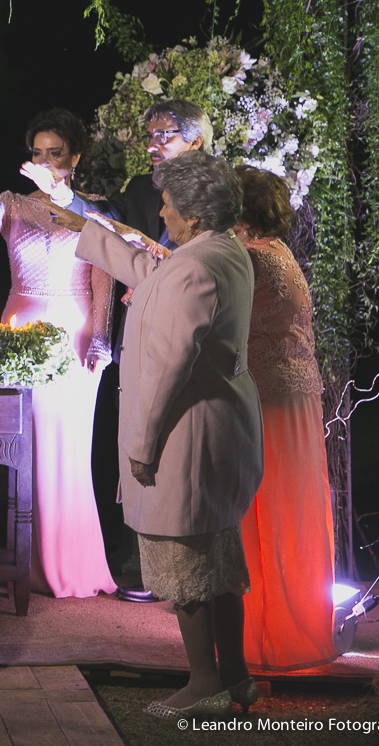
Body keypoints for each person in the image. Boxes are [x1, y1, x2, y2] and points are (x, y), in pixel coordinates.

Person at [50, 151, 263, 716]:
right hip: (214, 425)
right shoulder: (220, 251)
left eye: (167, 203)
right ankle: (236, 676)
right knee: (218, 558)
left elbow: (171, 364)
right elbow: (151, 272)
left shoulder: (195, 266)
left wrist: (141, 448)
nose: (160, 209)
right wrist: (86, 229)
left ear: (191, 215)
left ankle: (204, 684)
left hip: (186, 432)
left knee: (189, 564)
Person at [0, 108, 117, 599]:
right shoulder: (15, 204)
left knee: (68, 448)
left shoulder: (92, 211)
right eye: (37, 153)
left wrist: (102, 337)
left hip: (74, 331)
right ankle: (27, 561)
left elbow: (104, 276)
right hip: (20, 327)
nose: (44, 161)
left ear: (75, 157)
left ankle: (73, 564)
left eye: (55, 153)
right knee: (27, 448)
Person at [234, 166, 337, 671]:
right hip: (295, 400)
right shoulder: (279, 251)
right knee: (288, 510)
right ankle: (290, 626)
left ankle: (265, 636)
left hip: (268, 401)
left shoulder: (250, 257)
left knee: (262, 511)